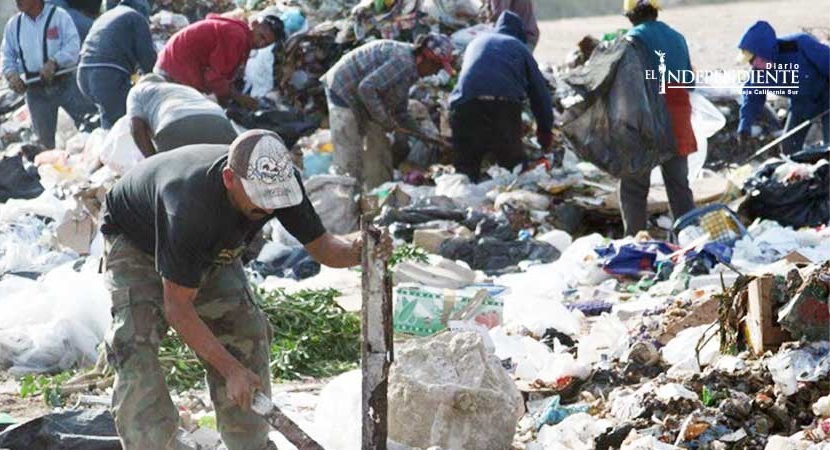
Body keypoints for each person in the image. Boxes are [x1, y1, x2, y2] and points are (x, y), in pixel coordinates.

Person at [101, 130, 376, 450]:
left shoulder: (280, 184)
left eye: (276, 200)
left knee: (245, 332)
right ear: (230, 179)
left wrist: (362, 248)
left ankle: (250, 445)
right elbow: (178, 308)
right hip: (137, 241)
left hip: (208, 244)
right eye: (261, 199)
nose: (270, 208)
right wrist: (231, 371)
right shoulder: (189, 206)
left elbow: (326, 249)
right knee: (135, 346)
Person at [322, 33, 455, 190]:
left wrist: (425, 136)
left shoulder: (411, 69)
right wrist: (384, 120)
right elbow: (366, 88)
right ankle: (343, 198)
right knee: (349, 160)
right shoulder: (403, 63)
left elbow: (400, 112)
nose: (435, 73)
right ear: (425, 59)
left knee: (380, 153)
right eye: (437, 67)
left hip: (362, 98)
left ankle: (377, 194)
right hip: (343, 90)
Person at [616, 0, 696, 236]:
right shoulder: (678, 37)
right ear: (655, 11)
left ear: (630, 16)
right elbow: (690, 82)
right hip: (677, 119)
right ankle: (690, 238)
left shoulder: (632, 39)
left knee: (633, 186)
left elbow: (625, 84)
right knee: (679, 186)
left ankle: (635, 240)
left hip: (646, 120)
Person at [449, 11, 552, 182]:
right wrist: (545, 132)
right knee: (513, 169)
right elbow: (540, 94)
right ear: (519, 33)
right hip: (502, 107)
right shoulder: (519, 47)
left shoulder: (476, 42)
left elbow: (466, 80)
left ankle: (463, 195)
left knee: (465, 170)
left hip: (464, 106)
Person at [0, 0, 96, 149]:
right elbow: (7, 55)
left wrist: (55, 61)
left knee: (91, 128)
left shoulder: (59, 17)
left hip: (65, 84)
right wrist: (11, 75)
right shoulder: (14, 25)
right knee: (44, 144)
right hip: (35, 92)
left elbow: (73, 46)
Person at [737, 21, 830, 155]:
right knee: (788, 148)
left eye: (753, 59)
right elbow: (752, 98)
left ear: (765, 52)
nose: (752, 64)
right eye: (749, 61)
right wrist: (744, 128)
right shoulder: (758, 73)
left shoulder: (800, 44)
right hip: (801, 105)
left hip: (827, 96)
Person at [154, 13, 285, 109]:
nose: (260, 44)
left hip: (171, 65)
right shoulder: (237, 37)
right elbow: (214, 79)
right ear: (254, 24)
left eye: (266, 44)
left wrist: (231, 95)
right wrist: (239, 98)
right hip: (174, 71)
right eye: (261, 37)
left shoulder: (240, 35)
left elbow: (221, 76)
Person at [77, 0, 156, 129]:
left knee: (109, 119)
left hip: (83, 74)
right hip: (106, 75)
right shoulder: (136, 17)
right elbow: (147, 59)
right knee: (127, 121)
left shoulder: (107, 15)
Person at [127, 74, 238, 156]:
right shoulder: (184, 88)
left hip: (174, 123)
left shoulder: (137, 90)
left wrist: (153, 162)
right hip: (219, 121)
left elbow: (136, 127)